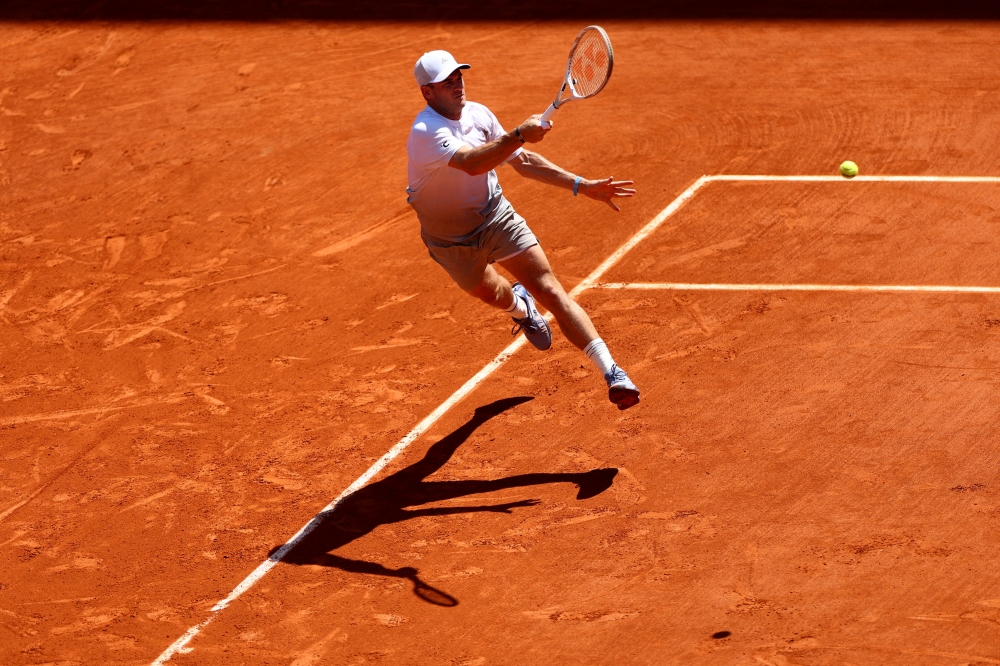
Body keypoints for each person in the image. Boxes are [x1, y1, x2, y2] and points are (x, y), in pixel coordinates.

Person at [406, 50, 640, 410]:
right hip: (450, 238)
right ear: (427, 92)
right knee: (488, 293)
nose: (458, 86)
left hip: (494, 215)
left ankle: (613, 372)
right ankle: (520, 308)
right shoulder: (425, 131)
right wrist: (518, 134)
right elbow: (472, 163)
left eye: (459, 77)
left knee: (551, 289)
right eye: (447, 82)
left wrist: (581, 184)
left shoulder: (479, 113)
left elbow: (523, 160)